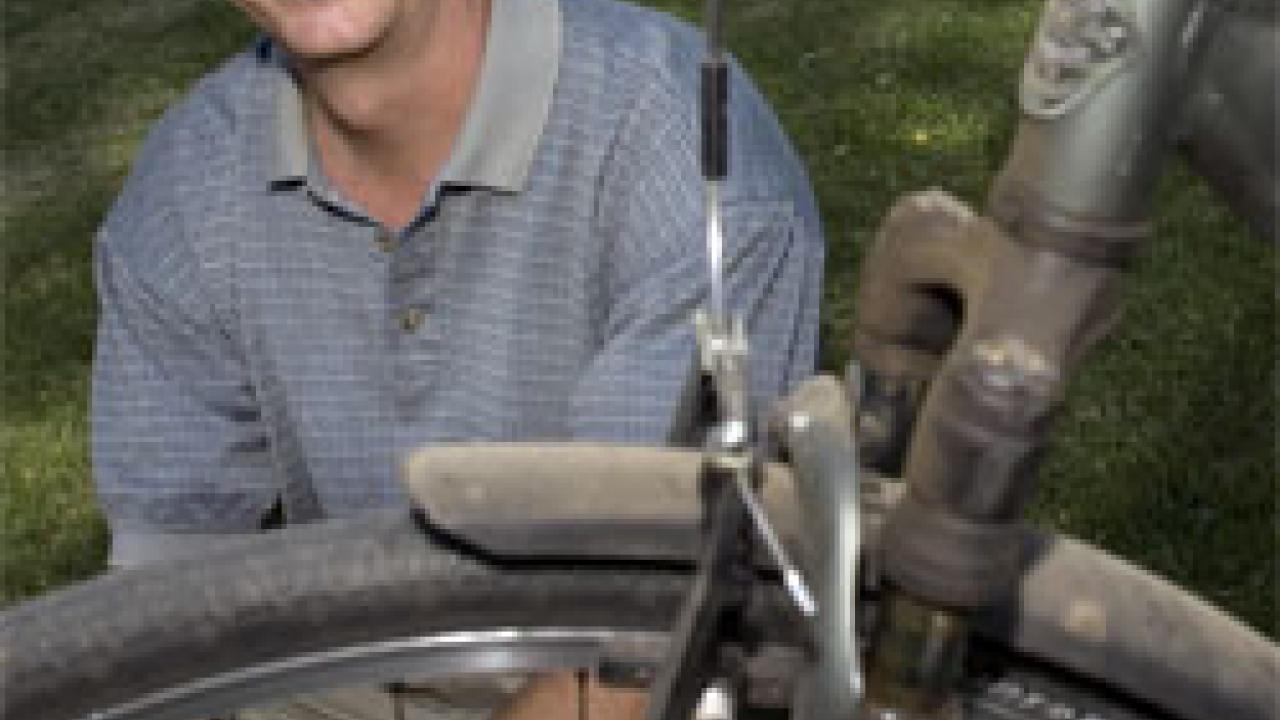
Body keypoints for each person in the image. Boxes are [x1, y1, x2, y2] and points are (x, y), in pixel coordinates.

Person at [91, 0, 822, 715]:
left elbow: (646, 626)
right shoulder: (188, 185)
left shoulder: (670, 134)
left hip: (637, 669)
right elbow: (162, 619)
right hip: (343, 664)